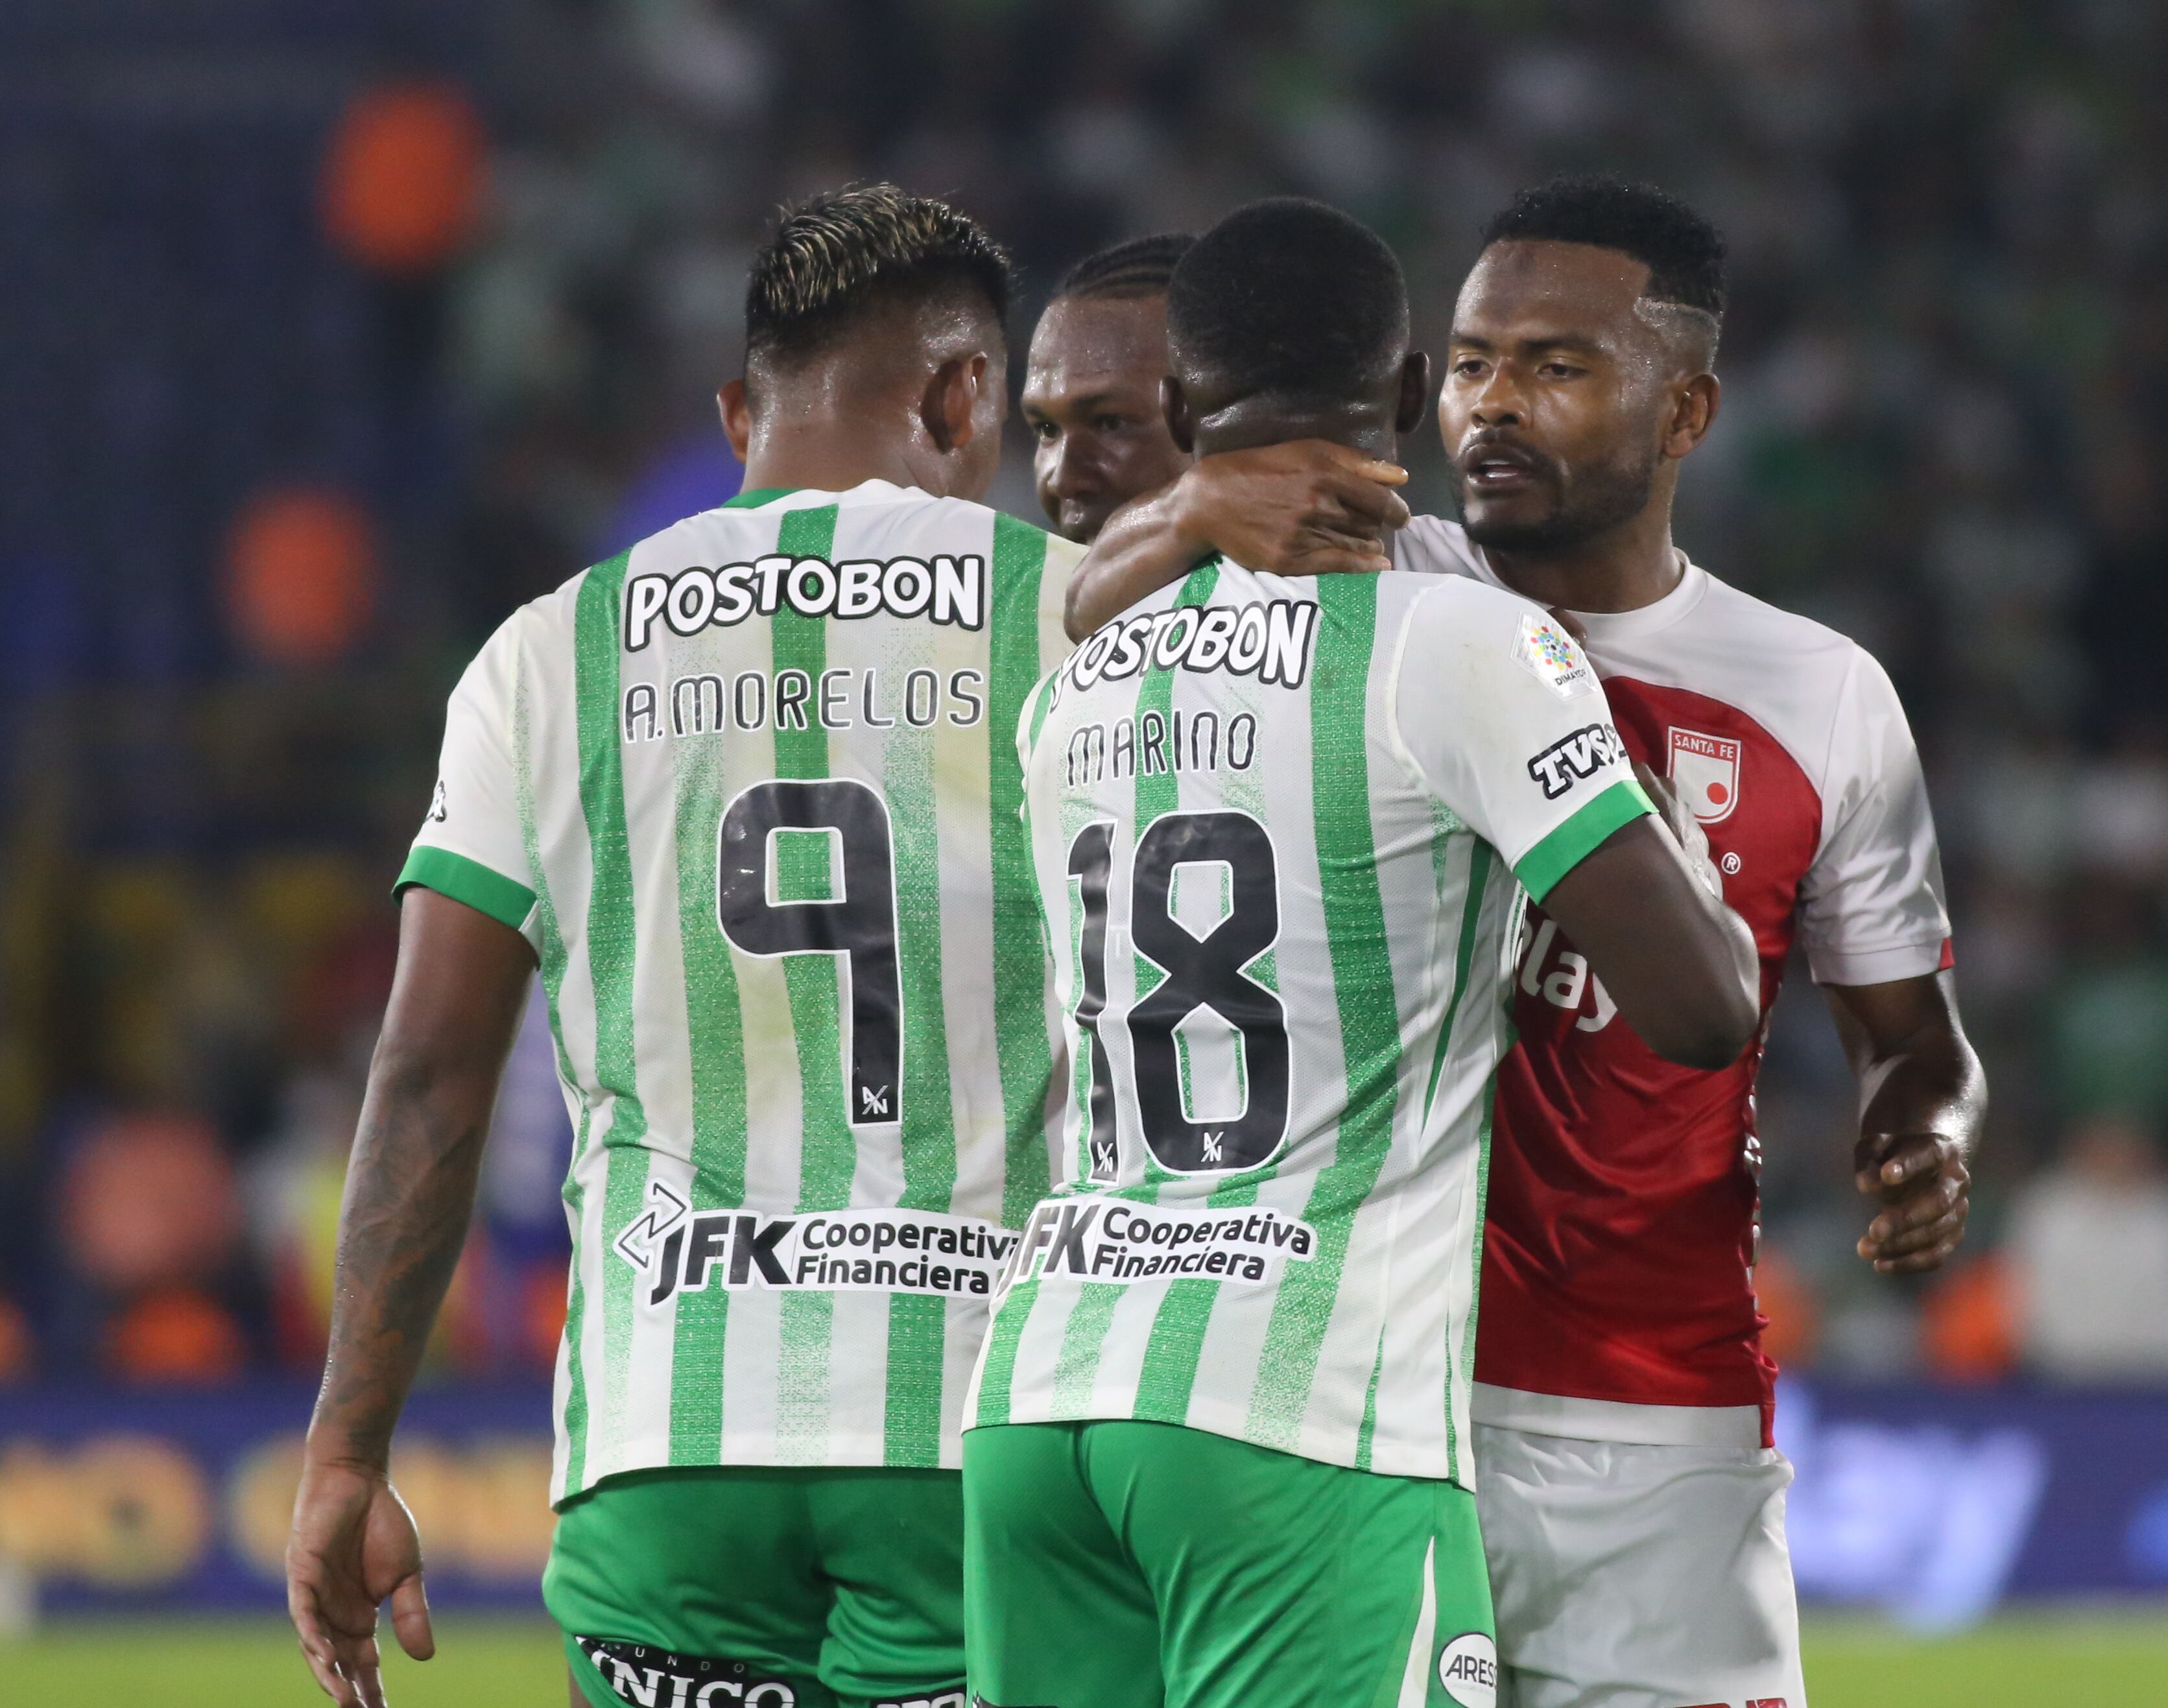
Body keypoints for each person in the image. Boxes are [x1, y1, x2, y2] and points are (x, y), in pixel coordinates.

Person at [1062, 175, 1986, 1708]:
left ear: (1685, 410)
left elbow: (1912, 1041)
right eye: (1477, 362)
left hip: (1661, 1424)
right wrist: (1183, 510)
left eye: (1557, 367)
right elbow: (1082, 633)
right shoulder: (1372, 576)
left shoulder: (1821, 696)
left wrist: (1925, 1133)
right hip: (1362, 1401)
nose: (1495, 404)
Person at [284, 185, 1084, 1708]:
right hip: (980, 1422)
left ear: (737, 415)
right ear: (964, 396)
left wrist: (345, 1451)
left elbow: (432, 1067)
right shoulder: (1077, 622)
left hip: (665, 1438)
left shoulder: (545, 655)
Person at [962, 196, 1761, 1708]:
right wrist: (1627, 781)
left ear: (1182, 412)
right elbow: (1703, 1005)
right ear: (1407, 394)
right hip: (1301, 1410)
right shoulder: (1458, 646)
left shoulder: (1072, 689)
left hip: (1042, 1396)